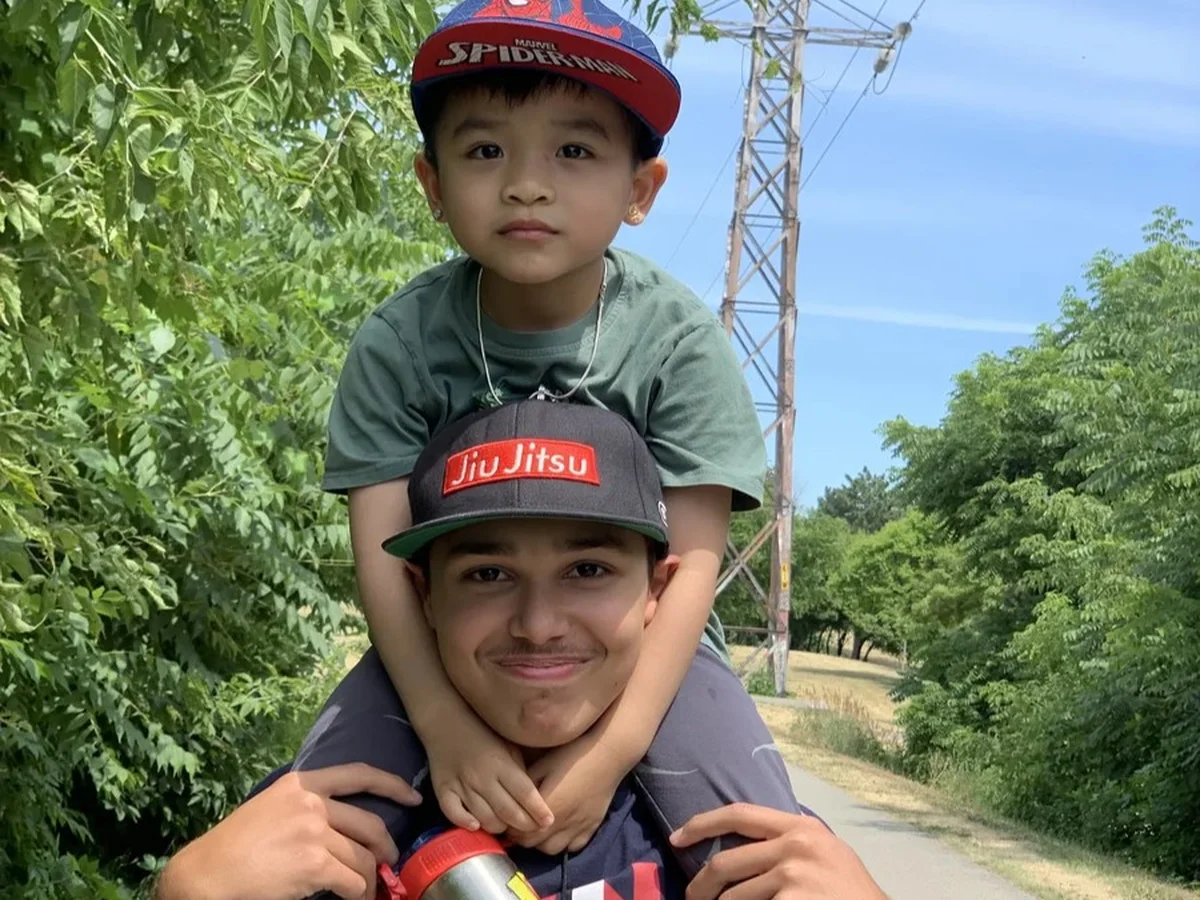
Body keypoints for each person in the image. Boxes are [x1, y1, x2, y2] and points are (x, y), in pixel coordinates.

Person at [155, 402, 887, 900]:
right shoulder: (322, 823)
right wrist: (184, 894)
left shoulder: (743, 843)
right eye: (488, 574)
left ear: (658, 591)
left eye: (588, 571)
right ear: (425, 596)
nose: (538, 624)